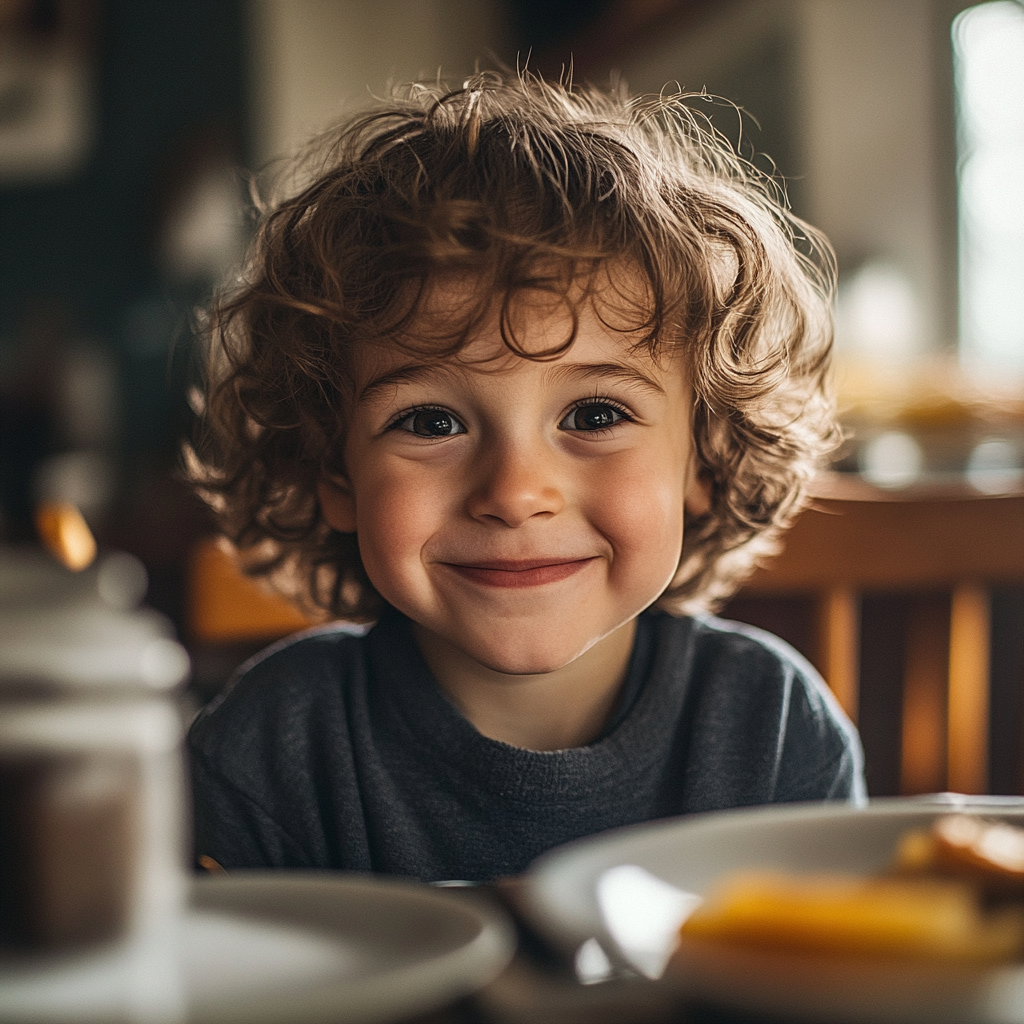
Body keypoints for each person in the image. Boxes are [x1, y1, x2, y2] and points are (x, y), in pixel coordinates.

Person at [186, 70, 865, 882]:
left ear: (705, 456)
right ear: (336, 473)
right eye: (431, 422)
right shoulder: (267, 752)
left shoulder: (776, 731)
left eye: (594, 415)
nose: (513, 491)